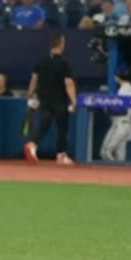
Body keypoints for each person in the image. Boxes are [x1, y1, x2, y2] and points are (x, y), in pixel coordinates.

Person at [23, 34, 78, 165]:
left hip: (44, 98)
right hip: (59, 99)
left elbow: (34, 79)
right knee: (62, 128)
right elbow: (68, 83)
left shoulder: (41, 61)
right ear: (61, 45)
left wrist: (30, 93)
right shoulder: (65, 63)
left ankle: (33, 144)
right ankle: (61, 155)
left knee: (45, 123)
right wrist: (74, 100)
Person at [99, 69, 131, 162]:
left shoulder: (125, 89)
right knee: (120, 156)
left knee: (105, 152)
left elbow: (121, 109)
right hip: (124, 124)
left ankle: (111, 173)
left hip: (121, 124)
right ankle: (121, 175)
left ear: (118, 78)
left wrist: (107, 108)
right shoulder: (129, 88)